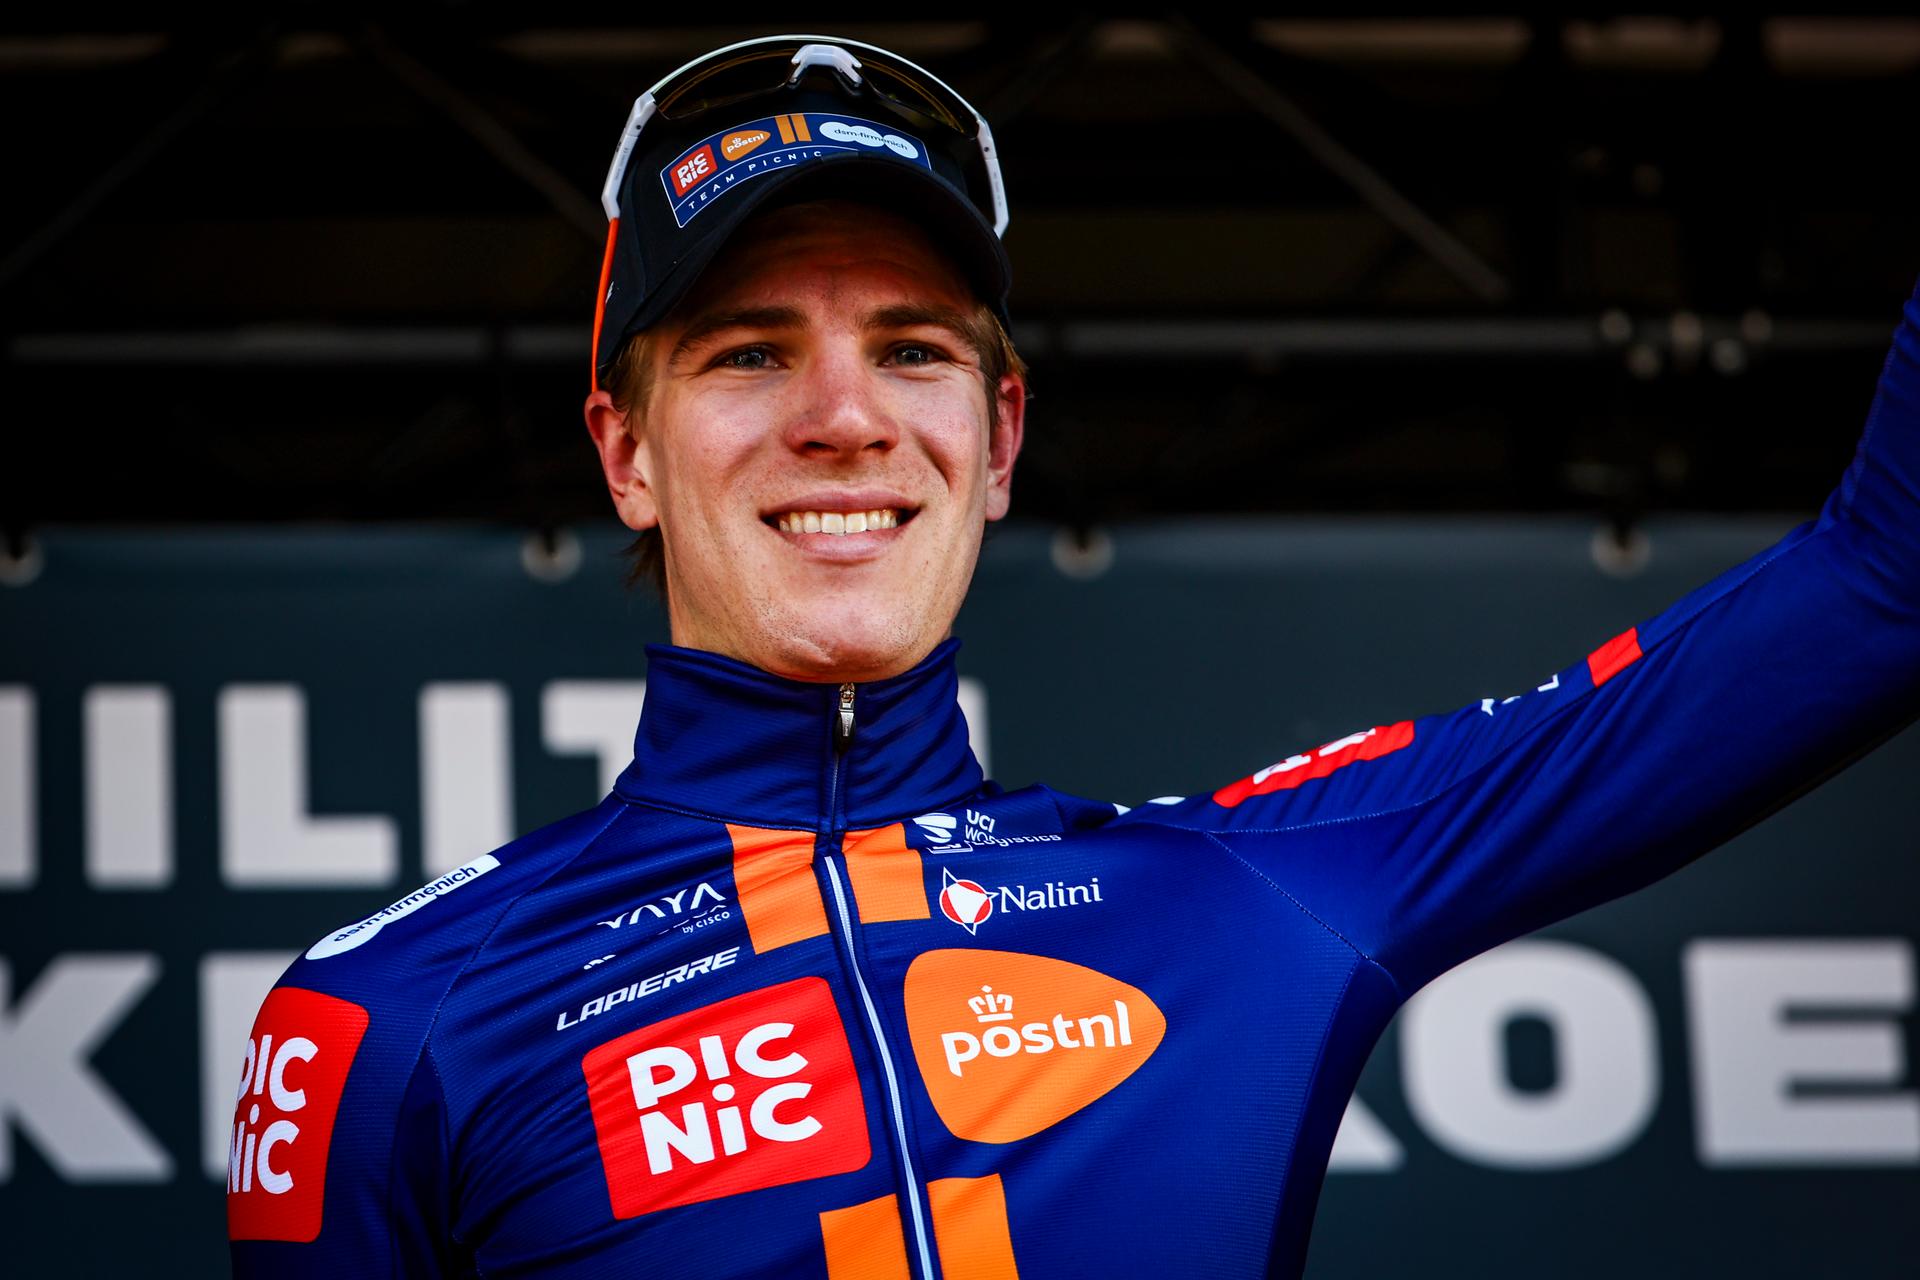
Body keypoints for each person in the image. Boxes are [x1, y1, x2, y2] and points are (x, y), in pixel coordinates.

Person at [227, 33, 1920, 1279]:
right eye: (750, 354)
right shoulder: (385, 1028)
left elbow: (1880, 587)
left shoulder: (1255, 892)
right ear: (626, 451)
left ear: (1001, 430)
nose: (845, 419)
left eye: (913, 351)